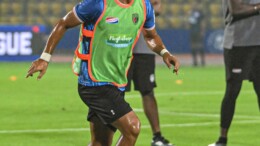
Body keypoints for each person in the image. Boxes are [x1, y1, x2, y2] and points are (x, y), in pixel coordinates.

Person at [26, 0, 180, 146]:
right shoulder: (98, 3)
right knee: (132, 128)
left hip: (117, 82)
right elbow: (63, 23)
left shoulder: (144, 6)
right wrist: (44, 58)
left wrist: (165, 53)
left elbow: (151, 36)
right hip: (94, 82)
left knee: (100, 143)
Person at [209, 0, 260, 146]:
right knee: (232, 91)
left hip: (258, 44)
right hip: (238, 43)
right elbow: (236, 10)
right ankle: (222, 139)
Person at [126, 0, 173, 146]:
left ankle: (157, 137)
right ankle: (105, 136)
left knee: (148, 91)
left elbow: (158, 8)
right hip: (122, 48)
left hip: (144, 49)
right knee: (116, 93)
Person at [188, 0, 206, 67]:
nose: (194, 5)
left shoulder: (201, 13)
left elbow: (202, 22)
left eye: (195, 4)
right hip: (192, 31)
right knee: (193, 46)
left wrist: (202, 31)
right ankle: (195, 62)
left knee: (200, 45)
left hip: (198, 31)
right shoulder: (191, 12)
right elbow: (189, 22)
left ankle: (202, 62)